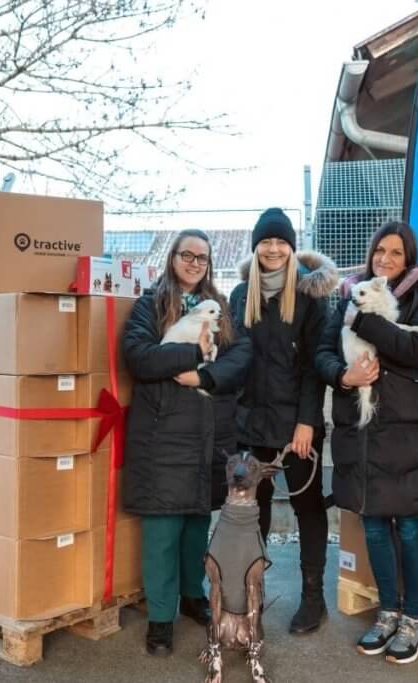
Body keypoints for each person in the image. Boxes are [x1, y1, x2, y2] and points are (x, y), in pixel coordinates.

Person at [315, 221, 418, 665]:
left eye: (395, 252)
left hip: (407, 430)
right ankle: (387, 611)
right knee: (373, 524)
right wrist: (343, 375)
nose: (386, 259)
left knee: (409, 525)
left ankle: (413, 618)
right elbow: (322, 352)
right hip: (362, 429)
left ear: (408, 258)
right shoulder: (349, 294)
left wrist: (365, 320)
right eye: (379, 252)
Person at [121, 229, 251, 657]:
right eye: (188, 255)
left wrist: (204, 376)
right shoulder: (150, 304)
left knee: (197, 522)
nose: (195, 263)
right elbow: (138, 356)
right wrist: (190, 354)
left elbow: (240, 355)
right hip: (162, 432)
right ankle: (161, 617)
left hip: (206, 428)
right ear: (173, 258)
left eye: (202, 258)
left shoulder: (222, 306)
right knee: (162, 527)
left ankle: (193, 595)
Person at [229, 208, 338, 634]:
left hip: (297, 425)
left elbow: (315, 364)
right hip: (251, 425)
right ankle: (249, 596)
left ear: (292, 247)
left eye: (281, 241)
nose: (273, 248)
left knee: (307, 506)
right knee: (251, 512)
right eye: (266, 241)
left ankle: (313, 599)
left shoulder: (310, 296)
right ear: (255, 246)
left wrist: (308, 421)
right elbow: (236, 359)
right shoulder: (241, 295)